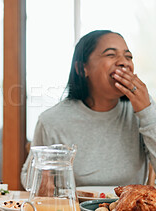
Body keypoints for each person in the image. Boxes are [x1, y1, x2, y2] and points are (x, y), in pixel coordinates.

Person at [21, 30, 156, 188]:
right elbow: (29, 176)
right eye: (111, 54)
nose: (124, 62)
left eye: (128, 56)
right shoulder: (51, 121)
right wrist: (42, 181)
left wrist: (147, 112)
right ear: (82, 68)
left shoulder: (142, 112)